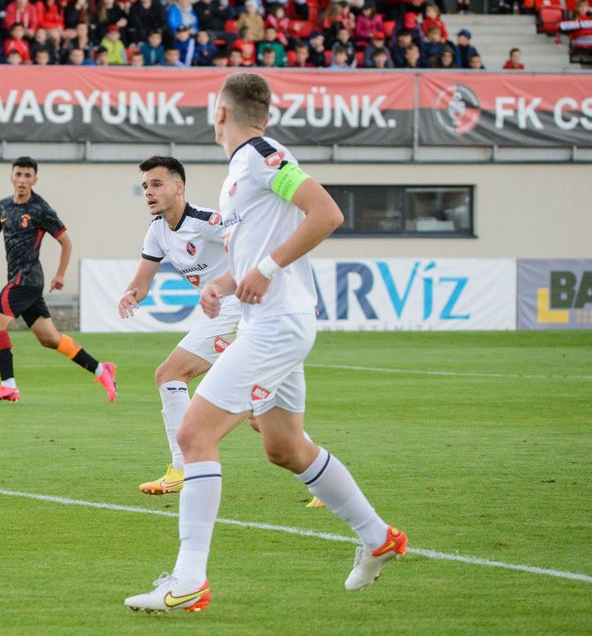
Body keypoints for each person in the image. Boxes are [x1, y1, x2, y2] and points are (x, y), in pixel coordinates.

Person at [124, 73, 408, 614]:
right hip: (264, 322)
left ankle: (188, 582)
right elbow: (261, 248)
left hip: (279, 322)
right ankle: (378, 537)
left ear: (221, 114)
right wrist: (225, 284)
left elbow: (327, 213)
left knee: (194, 434)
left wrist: (270, 268)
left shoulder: (259, 154)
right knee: (284, 448)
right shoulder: (241, 171)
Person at [118, 155, 245, 495]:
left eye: (157, 184)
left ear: (179, 187)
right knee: (262, 410)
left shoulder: (207, 221)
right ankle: (321, 475)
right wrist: (131, 295)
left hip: (244, 307)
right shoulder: (158, 231)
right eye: (145, 186)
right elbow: (142, 282)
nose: (148, 192)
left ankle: (184, 467)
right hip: (224, 312)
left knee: (171, 374)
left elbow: (251, 245)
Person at [0, 157, 117, 403]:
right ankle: (100, 369)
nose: (22, 180)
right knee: (50, 339)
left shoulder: (40, 209)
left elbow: (65, 241)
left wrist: (60, 274)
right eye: (18, 174)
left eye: (27, 176)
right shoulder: (3, 207)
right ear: (11, 177)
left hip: (26, 279)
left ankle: (8, 385)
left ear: (34, 180)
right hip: (21, 280)